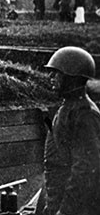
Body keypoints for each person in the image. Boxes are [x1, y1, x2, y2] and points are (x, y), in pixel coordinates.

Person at [42, 46, 100, 214]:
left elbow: (85, 170)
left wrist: (66, 210)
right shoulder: (67, 109)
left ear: (72, 77)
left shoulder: (85, 114)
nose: (51, 77)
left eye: (56, 73)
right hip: (59, 201)